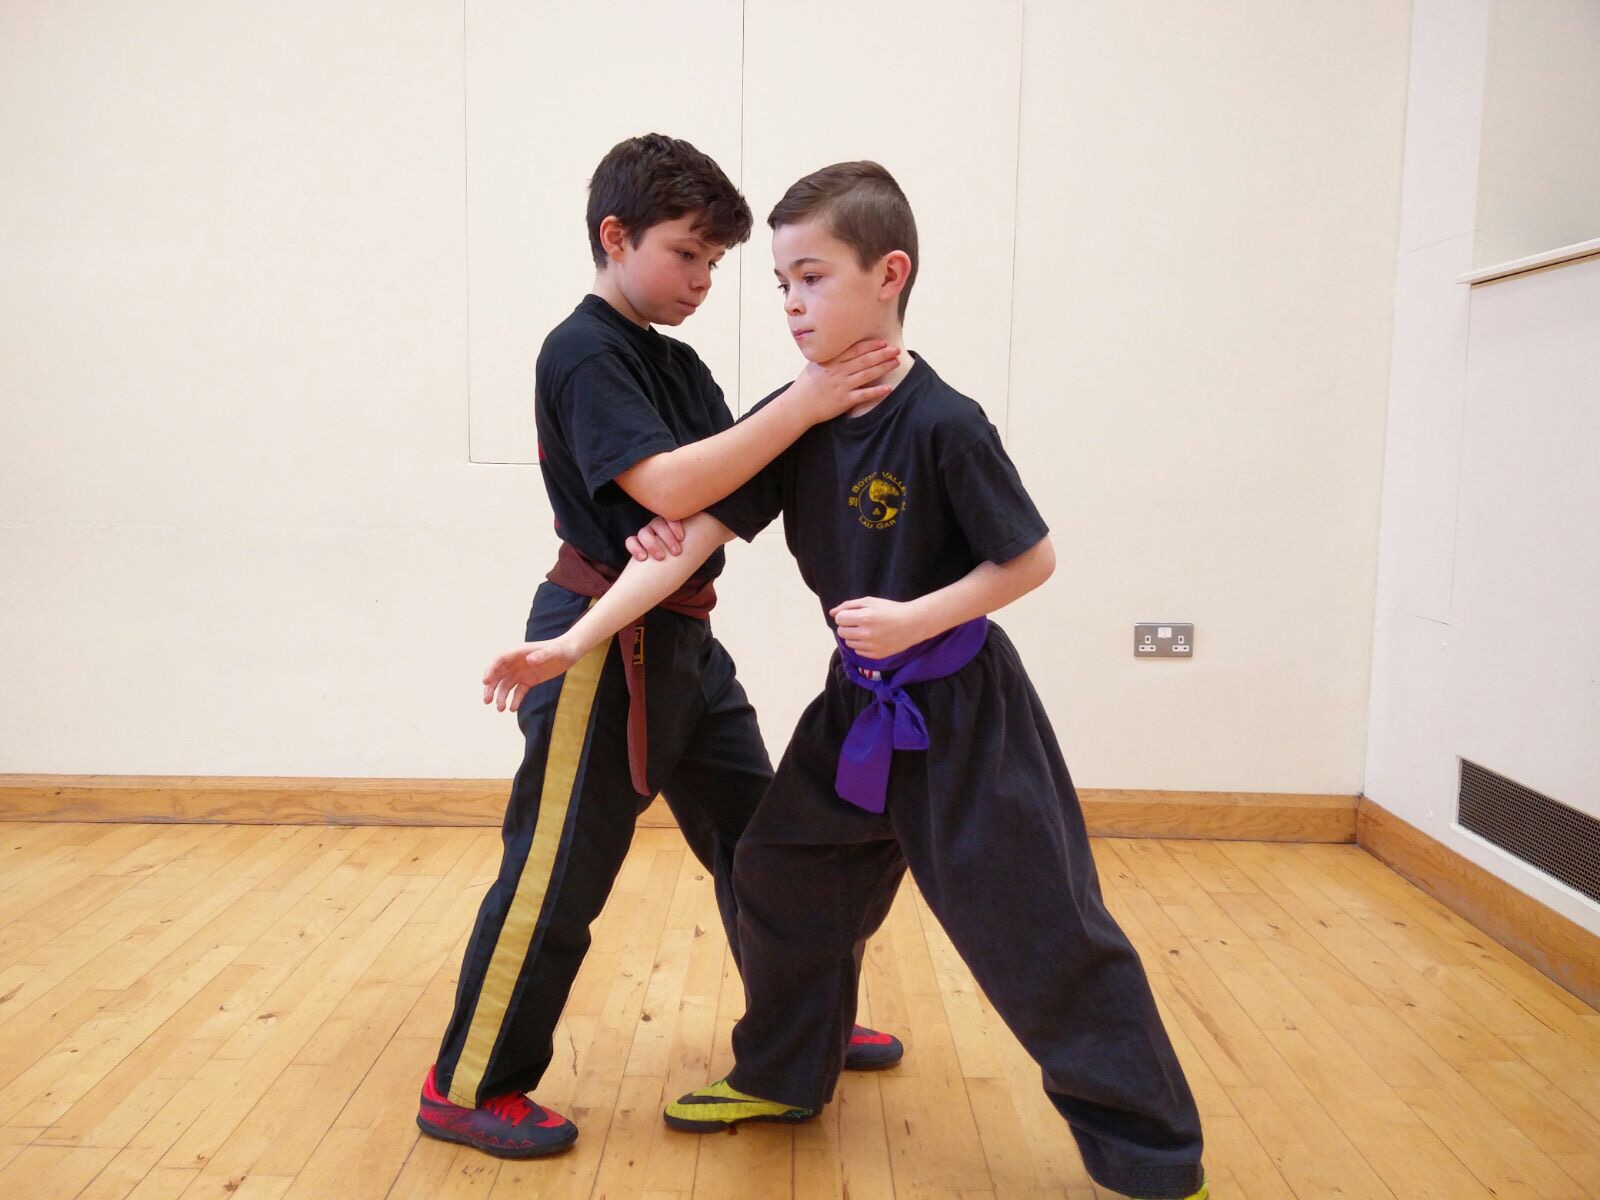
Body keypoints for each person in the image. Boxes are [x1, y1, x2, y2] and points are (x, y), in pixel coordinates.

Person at [482, 161, 1209, 1199]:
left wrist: (916, 616)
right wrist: (570, 642)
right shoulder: (801, 413)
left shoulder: (943, 422)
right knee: (777, 872)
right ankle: (781, 1075)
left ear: (888, 275)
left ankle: (1155, 1160)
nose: (788, 305)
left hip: (961, 715)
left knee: (1041, 931)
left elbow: (1030, 559)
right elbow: (683, 539)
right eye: (779, 284)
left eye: (810, 279)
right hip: (855, 711)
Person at [418, 136, 905, 1161]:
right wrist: (791, 410)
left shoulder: (676, 365)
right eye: (687, 255)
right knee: (556, 876)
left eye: (716, 265)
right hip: (595, 648)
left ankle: (798, 1027)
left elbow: (714, 492)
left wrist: (683, 492)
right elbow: (679, 487)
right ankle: (467, 1083)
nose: (702, 282)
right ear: (614, 236)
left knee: (765, 849)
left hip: (684, 643)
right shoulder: (583, 349)